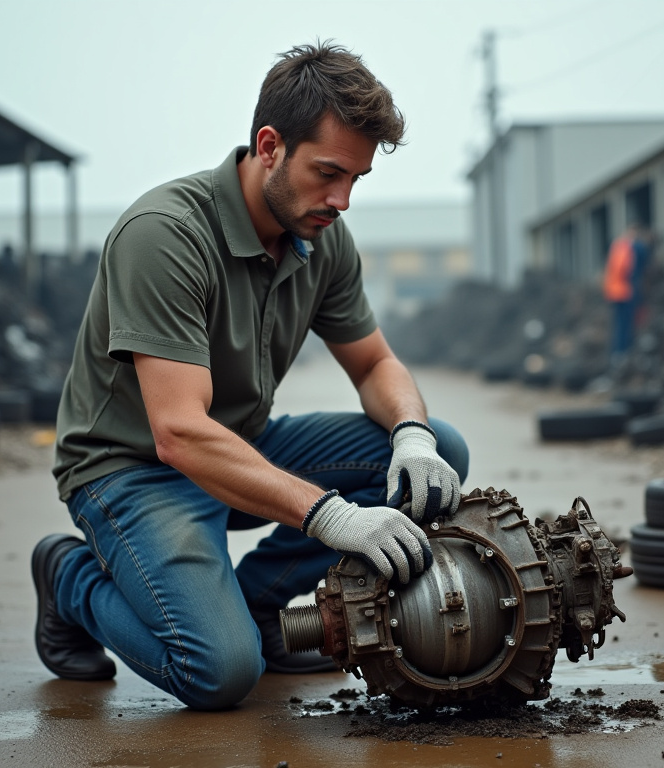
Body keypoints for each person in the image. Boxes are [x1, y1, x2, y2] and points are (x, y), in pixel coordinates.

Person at [33, 42, 469, 711]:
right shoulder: (166, 235)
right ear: (269, 145)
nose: (342, 199)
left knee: (437, 449)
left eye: (356, 178)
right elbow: (178, 432)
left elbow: (376, 362)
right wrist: (334, 519)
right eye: (328, 172)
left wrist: (411, 434)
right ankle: (70, 580)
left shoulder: (320, 236)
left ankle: (260, 604)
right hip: (132, 469)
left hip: (238, 445)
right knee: (220, 672)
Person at [602, 222, 652, 358]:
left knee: (618, 324)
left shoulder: (617, 245)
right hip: (625, 291)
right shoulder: (633, 247)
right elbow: (632, 270)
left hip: (613, 291)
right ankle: (623, 353)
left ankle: (616, 353)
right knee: (626, 324)